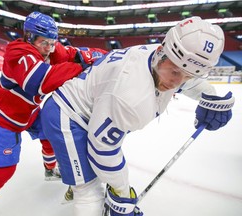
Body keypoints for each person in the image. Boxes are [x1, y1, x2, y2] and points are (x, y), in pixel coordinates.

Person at [40, 16, 235, 216]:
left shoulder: (164, 56)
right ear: (161, 53)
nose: (177, 83)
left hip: (93, 106)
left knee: (94, 174)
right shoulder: (132, 96)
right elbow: (102, 151)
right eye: (175, 72)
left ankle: (78, 174)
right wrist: (122, 196)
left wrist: (212, 97)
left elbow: (186, 78)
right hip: (67, 115)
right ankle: (80, 180)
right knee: (90, 191)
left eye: (188, 75)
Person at [0, 11, 106, 216]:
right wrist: (79, 66)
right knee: (1, 172)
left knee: (51, 131)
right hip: (4, 119)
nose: (49, 49)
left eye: (52, 42)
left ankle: (50, 170)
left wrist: (97, 55)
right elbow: (41, 82)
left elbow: (73, 53)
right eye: (44, 43)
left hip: (28, 113)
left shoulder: (49, 48)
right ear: (29, 38)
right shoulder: (18, 53)